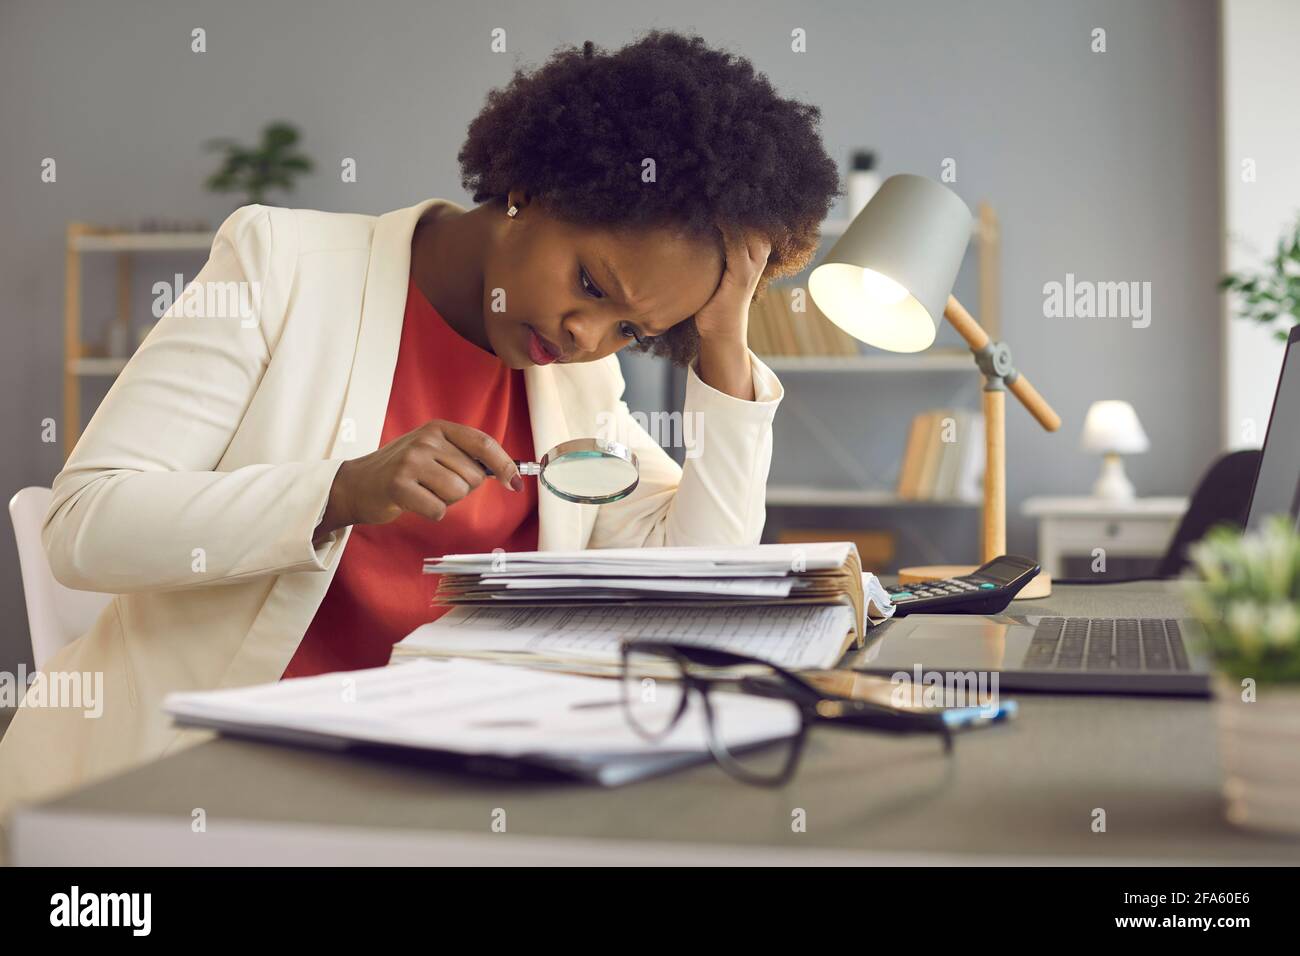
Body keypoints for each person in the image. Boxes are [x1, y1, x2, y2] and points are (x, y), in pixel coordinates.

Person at [0, 30, 840, 818]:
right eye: (590, 282)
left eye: (632, 329)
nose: (590, 335)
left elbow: (693, 575)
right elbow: (83, 528)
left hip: (439, 793)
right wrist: (337, 491)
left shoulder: (579, 378)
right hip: (203, 784)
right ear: (531, 189)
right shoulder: (283, 267)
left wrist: (724, 343)